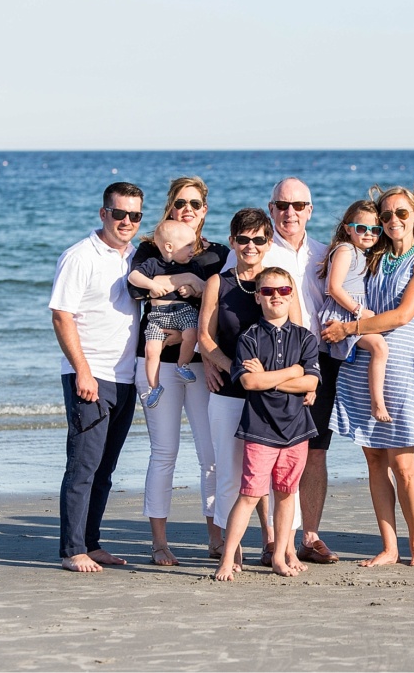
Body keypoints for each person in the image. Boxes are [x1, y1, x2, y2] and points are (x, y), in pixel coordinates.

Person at [323, 186, 414, 568]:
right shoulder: (373, 255)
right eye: (386, 215)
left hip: (399, 364)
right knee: (374, 459)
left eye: (401, 213)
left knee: (404, 464)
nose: (393, 220)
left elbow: (403, 316)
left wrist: (347, 329)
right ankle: (389, 547)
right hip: (363, 361)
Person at [225, 177, 338, 564]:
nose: (290, 212)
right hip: (265, 359)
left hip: (314, 362)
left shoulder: (324, 256)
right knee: (261, 455)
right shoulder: (259, 251)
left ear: (310, 210)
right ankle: (272, 539)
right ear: (271, 209)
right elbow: (229, 298)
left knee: (313, 452)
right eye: (282, 205)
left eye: (298, 205)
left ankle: (308, 536)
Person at [129, 176, 229, 566]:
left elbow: (228, 298)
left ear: (205, 210)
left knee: (213, 455)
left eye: (195, 203)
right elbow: (136, 289)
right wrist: (185, 280)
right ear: (171, 207)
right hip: (155, 364)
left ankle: (217, 539)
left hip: (203, 366)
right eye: (180, 202)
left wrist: (196, 285)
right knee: (164, 452)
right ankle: (159, 543)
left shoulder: (219, 254)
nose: (187, 209)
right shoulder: (149, 248)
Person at [199, 208, 302, 570]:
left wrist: (297, 384)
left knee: (282, 478)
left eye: (259, 239)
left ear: (269, 242)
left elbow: (300, 338)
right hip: (230, 394)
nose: (251, 245)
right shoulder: (219, 283)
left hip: (276, 399)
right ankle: (234, 548)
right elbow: (205, 338)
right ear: (232, 242)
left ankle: (283, 548)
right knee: (230, 472)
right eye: (243, 239)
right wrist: (232, 369)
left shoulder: (280, 284)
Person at [49, 181, 144, 572]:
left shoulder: (137, 256)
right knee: (84, 467)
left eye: (134, 215)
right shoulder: (80, 256)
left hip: (126, 378)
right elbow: (61, 315)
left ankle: (92, 542)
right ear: (104, 213)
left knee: (105, 469)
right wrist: (82, 372)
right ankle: (73, 550)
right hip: (91, 377)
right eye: (119, 214)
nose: (126, 222)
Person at [214, 267, 321, 580]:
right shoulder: (248, 338)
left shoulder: (305, 337)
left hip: (297, 429)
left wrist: (272, 378)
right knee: (249, 494)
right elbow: (248, 382)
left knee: (287, 493)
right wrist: (292, 373)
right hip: (259, 429)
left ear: (291, 295)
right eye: (269, 291)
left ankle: (279, 557)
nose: (276, 296)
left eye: (283, 291)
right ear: (258, 297)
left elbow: (311, 382)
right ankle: (227, 558)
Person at [317, 200, 391, 422]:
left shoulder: (362, 253)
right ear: (348, 229)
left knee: (377, 348)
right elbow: (334, 287)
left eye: (375, 230)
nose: (368, 234)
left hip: (350, 312)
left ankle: (360, 405)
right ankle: (377, 404)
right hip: (341, 314)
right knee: (379, 346)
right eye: (361, 228)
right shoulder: (345, 249)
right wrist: (358, 310)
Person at [128, 220, 200, 408]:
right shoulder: (152, 264)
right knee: (151, 350)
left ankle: (182, 365)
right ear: (169, 247)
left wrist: (192, 291)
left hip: (183, 311)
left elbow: (204, 289)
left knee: (191, 334)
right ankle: (154, 386)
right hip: (157, 316)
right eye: (188, 245)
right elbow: (133, 277)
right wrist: (151, 284)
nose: (193, 249)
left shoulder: (192, 266)